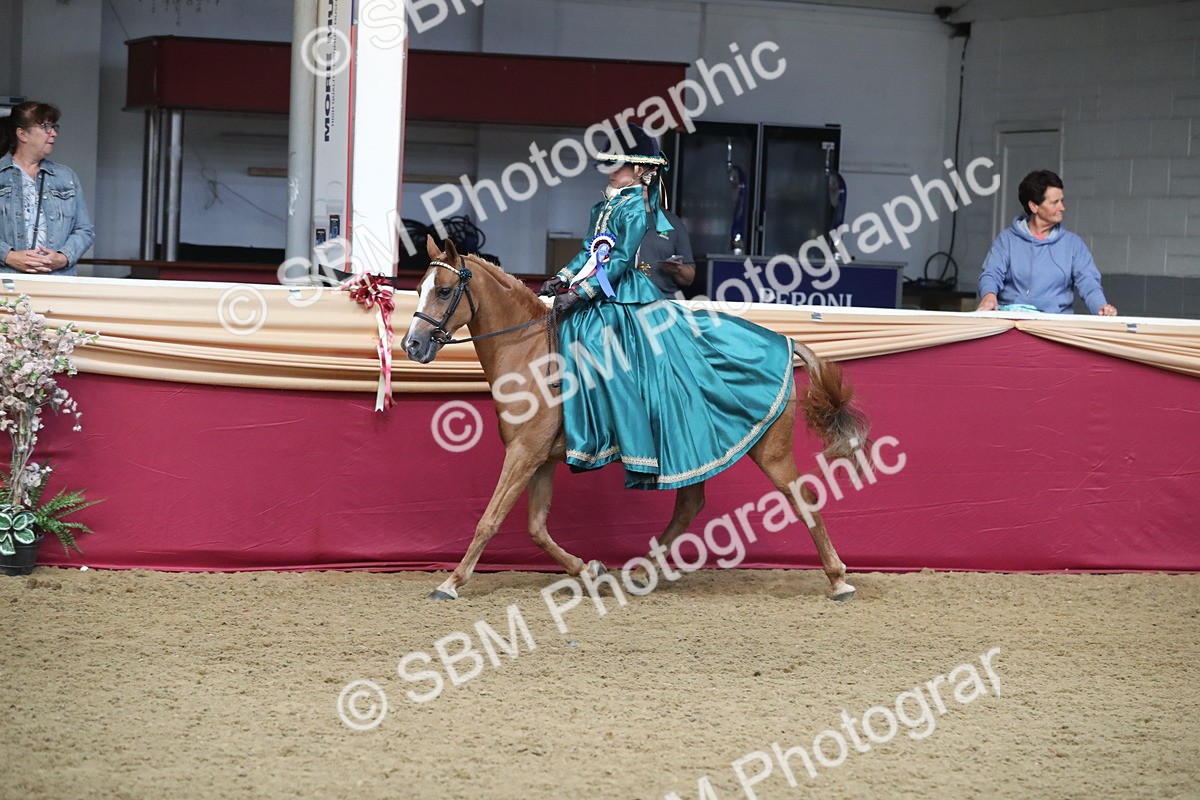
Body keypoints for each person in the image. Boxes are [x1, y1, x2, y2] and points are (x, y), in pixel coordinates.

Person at [539, 124, 795, 490]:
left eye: (619, 164)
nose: (611, 169)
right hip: (606, 284)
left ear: (641, 170)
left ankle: (616, 432)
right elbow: (589, 250)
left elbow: (621, 259)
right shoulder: (602, 206)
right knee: (569, 324)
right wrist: (562, 277)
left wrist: (584, 292)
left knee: (596, 338)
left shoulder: (634, 210)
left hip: (625, 290)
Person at [976, 169, 1117, 316]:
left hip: (1056, 325)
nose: (1062, 207)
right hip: (1014, 323)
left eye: (1062, 200)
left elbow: (1088, 282)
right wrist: (989, 296)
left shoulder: (1073, 244)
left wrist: (1100, 306)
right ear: (1034, 206)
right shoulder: (1006, 240)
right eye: (1055, 202)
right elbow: (991, 274)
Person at [0, 101, 95, 276]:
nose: (54, 133)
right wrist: (8, 256)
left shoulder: (66, 177)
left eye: (54, 126)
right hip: (7, 281)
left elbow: (84, 230)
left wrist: (64, 257)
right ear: (22, 134)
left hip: (57, 281)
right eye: (46, 127)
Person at [639, 206, 696, 297]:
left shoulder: (672, 221)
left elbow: (688, 279)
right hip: (621, 300)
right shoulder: (615, 217)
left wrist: (677, 269)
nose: (644, 190)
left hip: (662, 301)